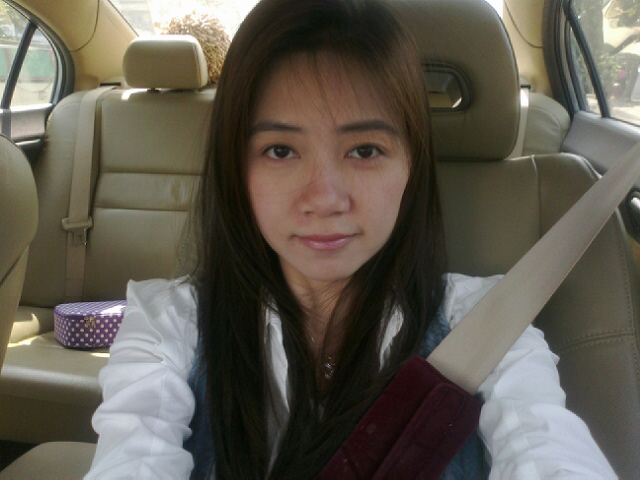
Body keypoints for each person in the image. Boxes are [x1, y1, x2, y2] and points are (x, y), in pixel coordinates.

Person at [86, 0, 617, 478]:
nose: (324, 198)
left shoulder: (492, 326)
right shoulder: (168, 325)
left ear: (411, 166)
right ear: (236, 169)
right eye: (280, 150)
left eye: (364, 151)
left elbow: (547, 448)